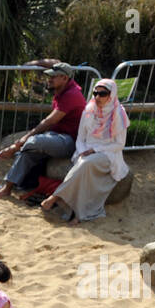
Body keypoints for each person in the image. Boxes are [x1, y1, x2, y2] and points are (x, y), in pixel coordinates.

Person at [0, 61, 85, 202]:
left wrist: (17, 144)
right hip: (56, 136)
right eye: (50, 76)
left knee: (33, 141)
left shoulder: (72, 94)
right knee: (28, 152)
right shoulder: (65, 87)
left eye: (53, 77)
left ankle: (15, 156)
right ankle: (7, 188)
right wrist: (33, 63)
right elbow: (53, 62)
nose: (49, 79)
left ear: (65, 78)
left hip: (69, 141)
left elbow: (49, 121)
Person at [41, 78, 130, 224]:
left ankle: (56, 197)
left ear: (112, 94)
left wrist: (94, 150)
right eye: (95, 93)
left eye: (103, 93)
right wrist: (83, 151)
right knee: (84, 165)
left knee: (85, 164)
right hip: (86, 150)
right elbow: (80, 138)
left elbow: (119, 144)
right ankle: (78, 214)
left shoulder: (118, 113)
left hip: (108, 153)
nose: (98, 97)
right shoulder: (89, 110)